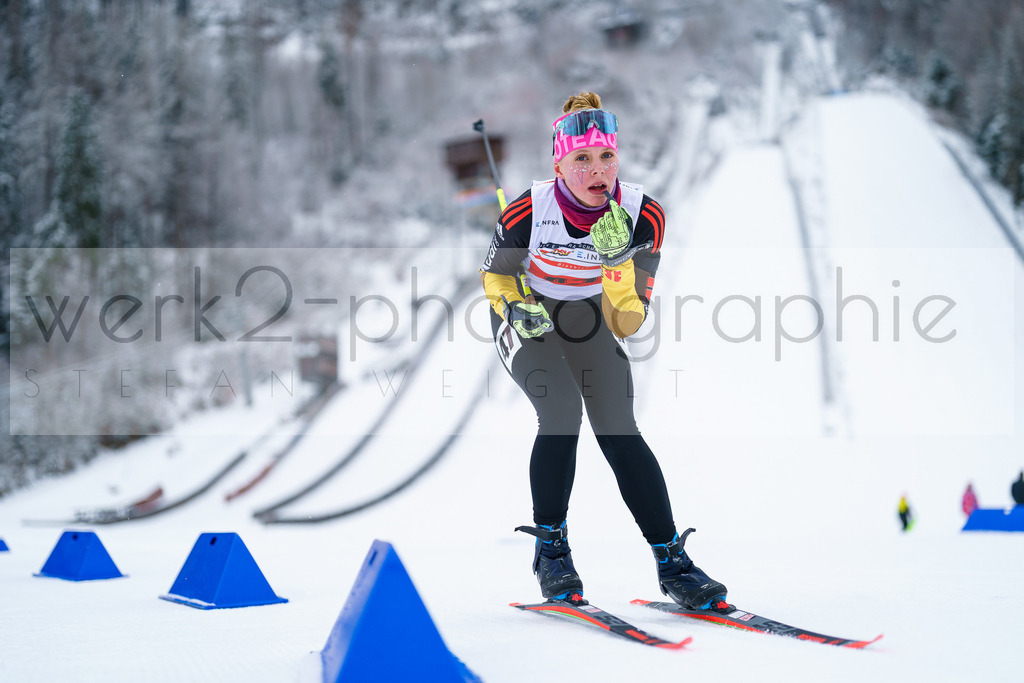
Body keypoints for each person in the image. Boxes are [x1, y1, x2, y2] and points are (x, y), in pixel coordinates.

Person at [479, 91, 727, 610]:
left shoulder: (644, 216)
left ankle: (672, 562)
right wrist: (512, 309)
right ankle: (551, 551)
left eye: (608, 156)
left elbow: (626, 321)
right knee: (562, 412)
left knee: (619, 428)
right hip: (529, 313)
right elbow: (496, 277)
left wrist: (615, 263)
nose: (599, 171)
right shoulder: (528, 210)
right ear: (560, 164)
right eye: (583, 159)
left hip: (593, 314)